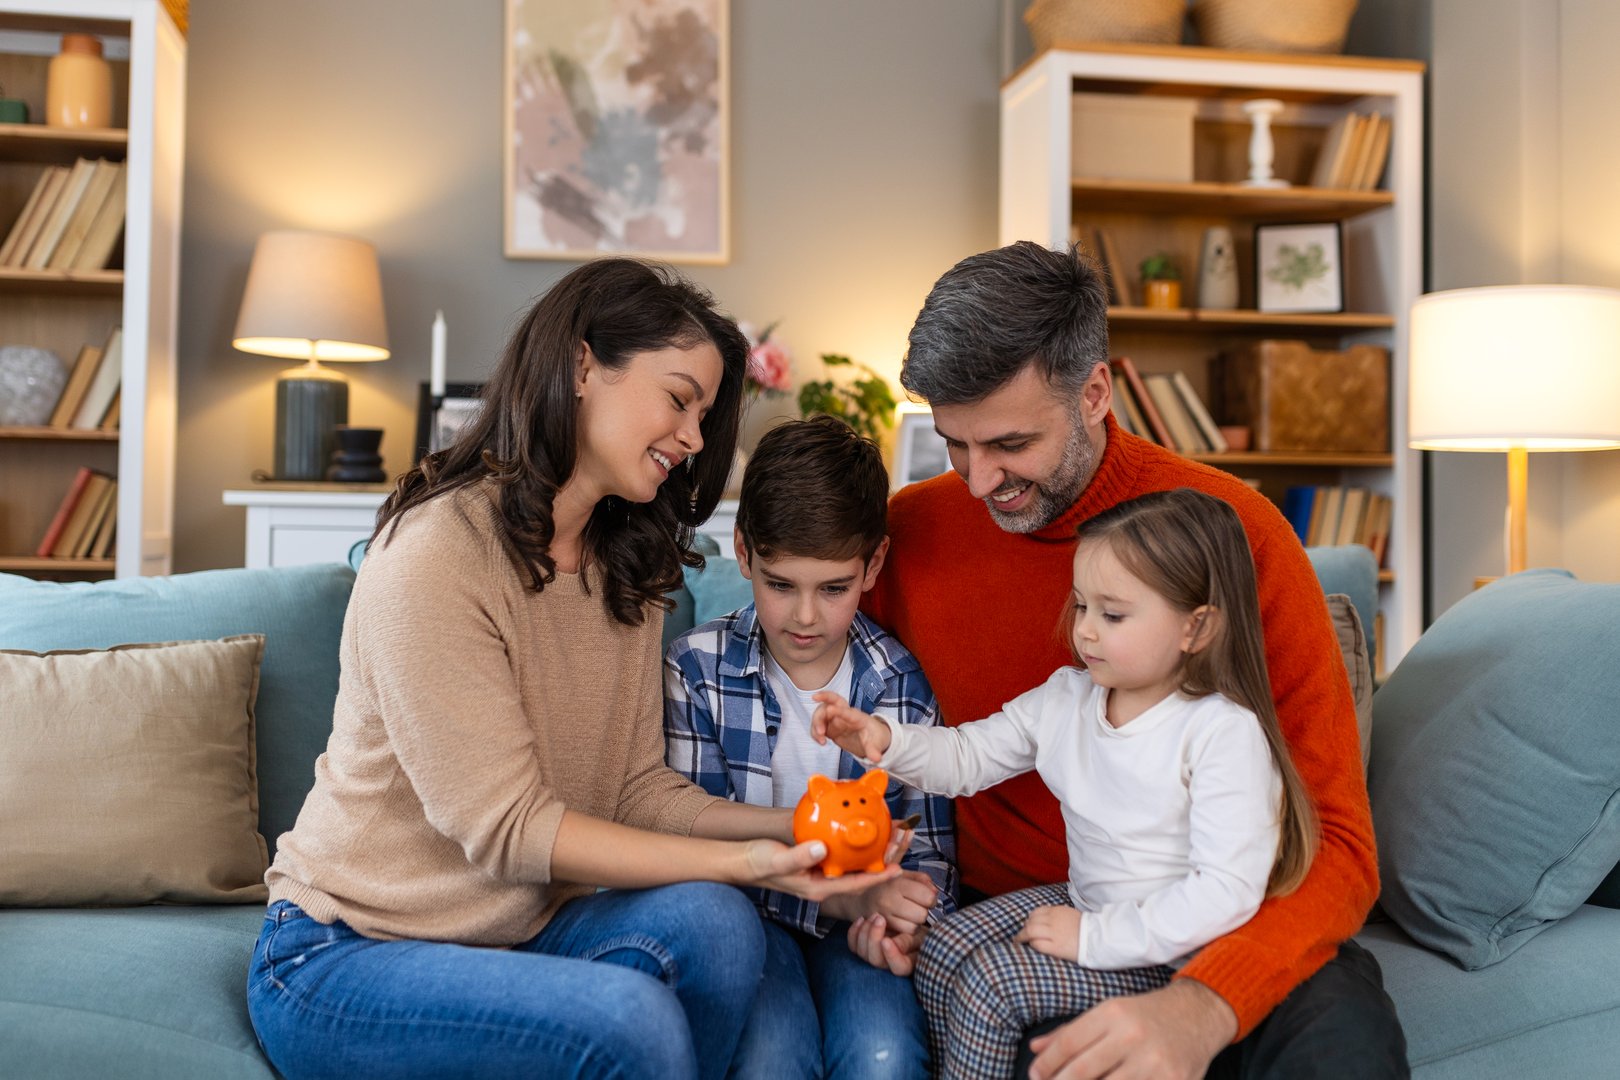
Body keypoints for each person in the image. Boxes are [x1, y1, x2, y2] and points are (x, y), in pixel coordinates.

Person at [245, 259, 895, 1080]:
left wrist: (797, 834)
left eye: (703, 413)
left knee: (722, 925)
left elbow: (634, 790)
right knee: (629, 1019)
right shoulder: (437, 555)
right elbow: (510, 829)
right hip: (348, 952)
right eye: (679, 399)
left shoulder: (623, 562)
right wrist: (745, 864)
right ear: (584, 365)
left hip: (525, 933)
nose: (695, 437)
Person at [862, 241, 1408, 1079]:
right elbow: (821, 708)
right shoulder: (911, 533)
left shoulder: (1235, 534)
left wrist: (1202, 1007)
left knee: (1342, 1048)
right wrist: (870, 881)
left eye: (1009, 443)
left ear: (1094, 393)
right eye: (954, 445)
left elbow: (1338, 841)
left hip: (1227, 919)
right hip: (1044, 921)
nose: (977, 483)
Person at [815, 487, 1317, 1078]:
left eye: (1114, 614)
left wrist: (1094, 938)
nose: (1086, 632)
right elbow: (968, 755)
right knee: (943, 947)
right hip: (1089, 903)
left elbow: (1222, 895)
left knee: (990, 985)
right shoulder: (1069, 698)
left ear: (1196, 628)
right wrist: (883, 739)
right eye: (1081, 606)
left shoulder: (1219, 733)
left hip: (1178, 948)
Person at [664, 414, 958, 1079]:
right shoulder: (695, 671)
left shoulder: (900, 683)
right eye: (780, 584)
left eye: (833, 589)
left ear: (873, 564)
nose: (805, 617)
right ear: (743, 554)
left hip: (861, 925)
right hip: (748, 928)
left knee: (882, 1058)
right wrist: (843, 894)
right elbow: (696, 851)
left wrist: (902, 919)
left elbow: (931, 848)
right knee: (771, 1060)